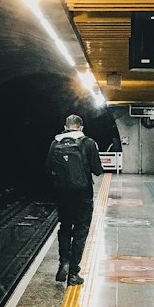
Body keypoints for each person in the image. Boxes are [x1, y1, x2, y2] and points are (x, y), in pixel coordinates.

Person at [45, 114, 103, 286]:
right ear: (81, 127)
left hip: (63, 195)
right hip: (83, 195)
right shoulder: (88, 143)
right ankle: (73, 273)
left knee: (64, 228)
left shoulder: (55, 143)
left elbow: (48, 169)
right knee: (80, 232)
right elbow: (98, 170)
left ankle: (63, 262)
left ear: (66, 126)